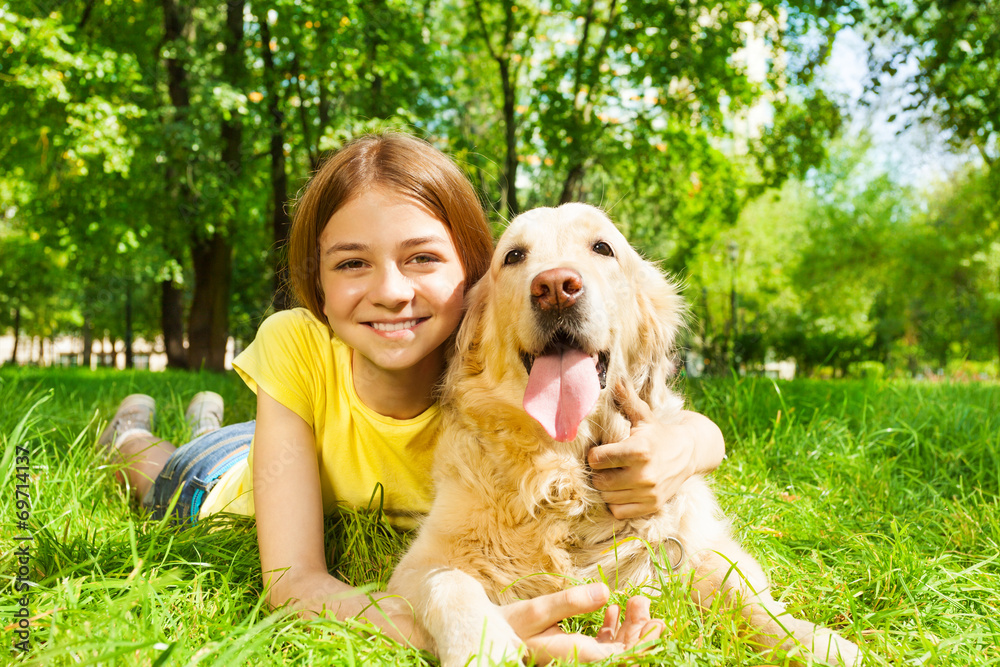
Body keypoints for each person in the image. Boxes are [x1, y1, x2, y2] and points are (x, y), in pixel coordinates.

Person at [99, 132, 727, 663]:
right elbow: (293, 584)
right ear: (315, 278)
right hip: (232, 484)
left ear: (466, 288)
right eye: (351, 264)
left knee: (218, 430)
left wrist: (690, 443)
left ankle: (208, 412)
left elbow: (690, 436)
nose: (393, 292)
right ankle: (130, 430)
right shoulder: (302, 341)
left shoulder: (467, 341)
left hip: (283, 442)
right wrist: (473, 629)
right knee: (170, 467)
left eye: (422, 257)